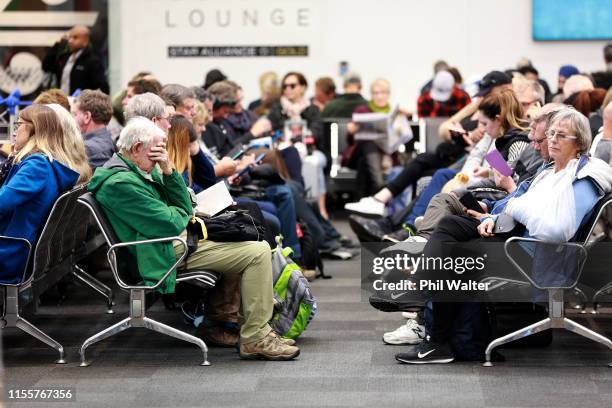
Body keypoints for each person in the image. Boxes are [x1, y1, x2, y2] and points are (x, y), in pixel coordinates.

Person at [395, 107, 612, 364]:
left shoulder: (584, 178)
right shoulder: (550, 171)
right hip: (517, 237)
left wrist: (514, 208)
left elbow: (553, 229)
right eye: (551, 133)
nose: (551, 139)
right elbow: (528, 209)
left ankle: (437, 337)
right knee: (451, 224)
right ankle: (425, 303)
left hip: (535, 253)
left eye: (560, 135)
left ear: (580, 143)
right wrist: (496, 218)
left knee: (453, 255)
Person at [89, 117, 300, 360]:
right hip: (159, 252)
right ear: (137, 148)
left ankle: (230, 324)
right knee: (257, 252)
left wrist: (168, 172)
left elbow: (184, 204)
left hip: (171, 242)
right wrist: (181, 211)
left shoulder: (138, 170)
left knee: (246, 238)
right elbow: (170, 223)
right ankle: (255, 337)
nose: (163, 156)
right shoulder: (120, 184)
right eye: (158, 150)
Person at [0, 105, 88, 284]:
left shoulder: (36, 167)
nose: (14, 132)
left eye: (18, 125)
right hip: (19, 246)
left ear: (35, 129)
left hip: (11, 251)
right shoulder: (47, 162)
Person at [42, 25, 109, 94]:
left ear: (85, 40)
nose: (70, 40)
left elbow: (102, 88)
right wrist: (58, 44)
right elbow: (46, 66)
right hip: (63, 102)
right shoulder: (64, 58)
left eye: (75, 37)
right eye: (69, 37)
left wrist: (85, 100)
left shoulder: (93, 61)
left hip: (81, 103)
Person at [72, 89, 116, 169]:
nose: (72, 119)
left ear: (87, 117)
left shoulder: (88, 148)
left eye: (74, 114)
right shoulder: (107, 140)